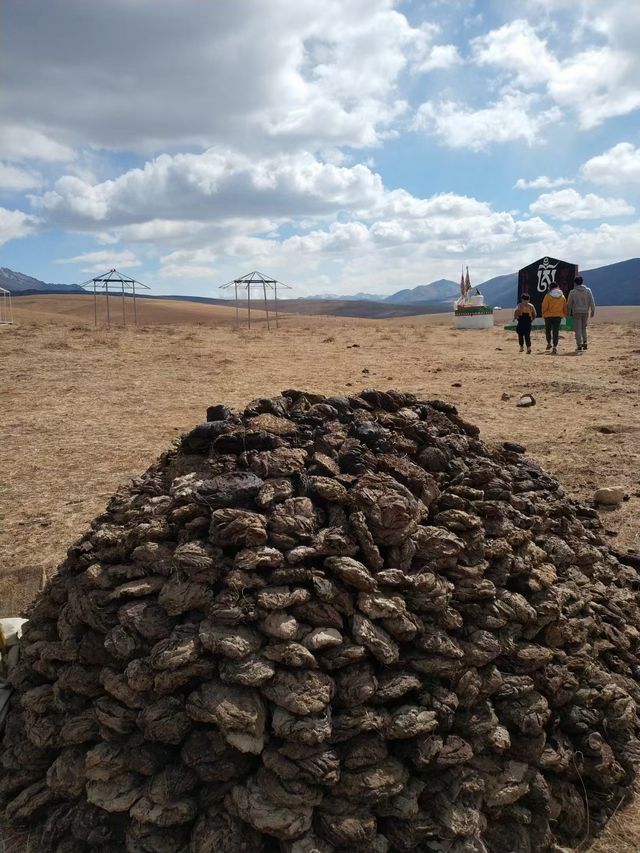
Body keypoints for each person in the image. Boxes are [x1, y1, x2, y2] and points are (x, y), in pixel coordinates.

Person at [567, 275, 595, 351]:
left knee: (577, 329)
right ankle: (585, 342)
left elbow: (569, 304)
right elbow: (592, 301)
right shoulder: (588, 290)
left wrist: (568, 313)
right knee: (584, 328)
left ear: (575, 283)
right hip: (585, 312)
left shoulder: (572, 292)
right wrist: (592, 310)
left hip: (576, 312)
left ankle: (579, 345)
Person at [541, 283, 567, 354]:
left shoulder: (547, 296)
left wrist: (543, 313)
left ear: (550, 288)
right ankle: (555, 346)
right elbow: (564, 307)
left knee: (548, 330)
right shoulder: (562, 296)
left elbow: (544, 306)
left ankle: (549, 343)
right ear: (557, 287)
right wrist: (564, 314)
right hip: (558, 316)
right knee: (556, 332)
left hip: (548, 316)